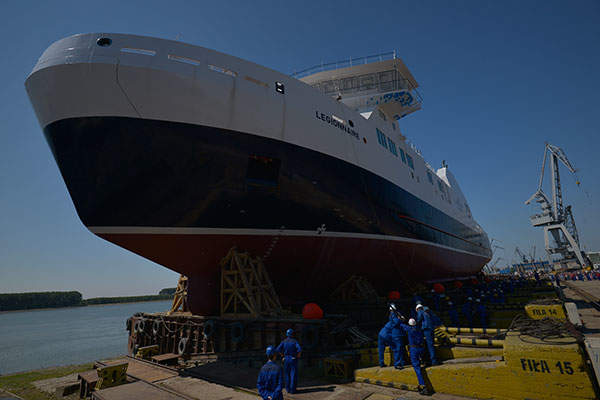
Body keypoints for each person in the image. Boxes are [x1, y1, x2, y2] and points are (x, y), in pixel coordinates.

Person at [399, 318, 432, 395]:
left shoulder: (409, 329)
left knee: (417, 367)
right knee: (422, 358)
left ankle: (423, 386)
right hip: (421, 348)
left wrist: (401, 319)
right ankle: (424, 361)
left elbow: (401, 325)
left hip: (414, 349)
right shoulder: (419, 329)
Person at [275, 329, 301, 394]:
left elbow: (278, 349)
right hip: (293, 359)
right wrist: (297, 356)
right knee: (293, 374)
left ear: (286, 334)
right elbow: (299, 350)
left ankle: (288, 389)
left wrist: (282, 356)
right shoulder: (295, 341)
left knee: (286, 374)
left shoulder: (284, 341)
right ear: (293, 334)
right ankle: (293, 390)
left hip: (286, 359)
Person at [389, 303, 407, 368]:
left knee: (400, 348)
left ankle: (401, 362)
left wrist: (401, 319)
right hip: (397, 334)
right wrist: (400, 319)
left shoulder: (396, 314)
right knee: (398, 349)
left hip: (399, 334)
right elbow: (396, 322)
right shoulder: (393, 314)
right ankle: (397, 363)